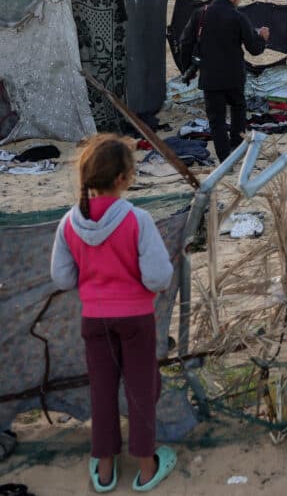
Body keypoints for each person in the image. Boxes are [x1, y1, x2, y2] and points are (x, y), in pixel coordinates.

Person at [50, 134, 179, 492]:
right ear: (124, 178)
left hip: (94, 320)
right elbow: (158, 276)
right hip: (136, 319)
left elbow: (61, 278)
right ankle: (146, 465)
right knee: (141, 389)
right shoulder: (138, 219)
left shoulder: (69, 223)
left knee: (102, 391)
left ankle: (105, 469)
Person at [180, 0, 270, 162]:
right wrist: (262, 38)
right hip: (234, 76)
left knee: (216, 120)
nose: (239, 0)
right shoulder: (238, 17)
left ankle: (224, 158)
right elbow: (254, 49)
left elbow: (185, 42)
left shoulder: (200, 14)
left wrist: (188, 68)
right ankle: (237, 148)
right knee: (238, 110)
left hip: (210, 77)